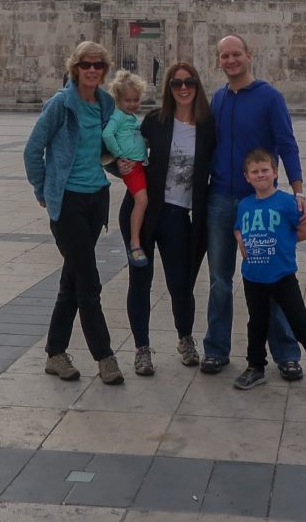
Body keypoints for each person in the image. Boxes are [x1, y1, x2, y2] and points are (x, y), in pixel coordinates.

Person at [201, 34, 306, 379]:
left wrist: (298, 191)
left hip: (260, 204)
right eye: (224, 56)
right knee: (219, 281)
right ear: (219, 61)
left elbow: (287, 143)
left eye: (236, 54)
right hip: (220, 198)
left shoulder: (269, 97)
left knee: (271, 277)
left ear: (249, 55)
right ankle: (216, 350)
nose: (230, 60)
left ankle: (286, 353)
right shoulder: (218, 99)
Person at [23, 41, 124, 386]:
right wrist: (43, 192)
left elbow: (107, 152)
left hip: (96, 199)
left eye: (98, 65)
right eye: (85, 64)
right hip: (66, 202)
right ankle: (105, 356)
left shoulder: (105, 104)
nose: (92, 70)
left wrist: (131, 170)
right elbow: (33, 150)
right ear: (75, 68)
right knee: (88, 280)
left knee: (72, 278)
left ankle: (55, 353)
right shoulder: (60, 104)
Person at [117, 60, 215, 377]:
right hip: (143, 212)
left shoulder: (208, 126)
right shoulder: (154, 122)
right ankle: (142, 348)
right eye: (176, 83)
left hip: (177, 214)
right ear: (169, 89)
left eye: (189, 83)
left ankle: (185, 338)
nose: (183, 88)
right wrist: (115, 165)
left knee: (181, 283)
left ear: (197, 87)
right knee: (140, 280)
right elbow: (119, 146)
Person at [233, 148, 306, 399]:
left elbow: (305, 231)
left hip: (282, 275)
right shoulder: (245, 204)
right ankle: (255, 365)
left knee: (300, 321)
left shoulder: (288, 202)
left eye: (265, 170)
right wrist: (241, 241)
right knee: (256, 323)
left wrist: (283, 243)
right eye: (254, 172)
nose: (260, 175)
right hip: (253, 276)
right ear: (247, 177)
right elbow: (239, 230)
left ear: (275, 173)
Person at [103, 70, 150, 269]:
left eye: (136, 100)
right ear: (118, 99)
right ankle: (135, 242)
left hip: (139, 165)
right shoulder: (119, 116)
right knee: (141, 200)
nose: (132, 104)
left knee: (143, 199)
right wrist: (119, 154)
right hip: (131, 167)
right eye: (128, 100)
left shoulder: (130, 118)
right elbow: (107, 134)